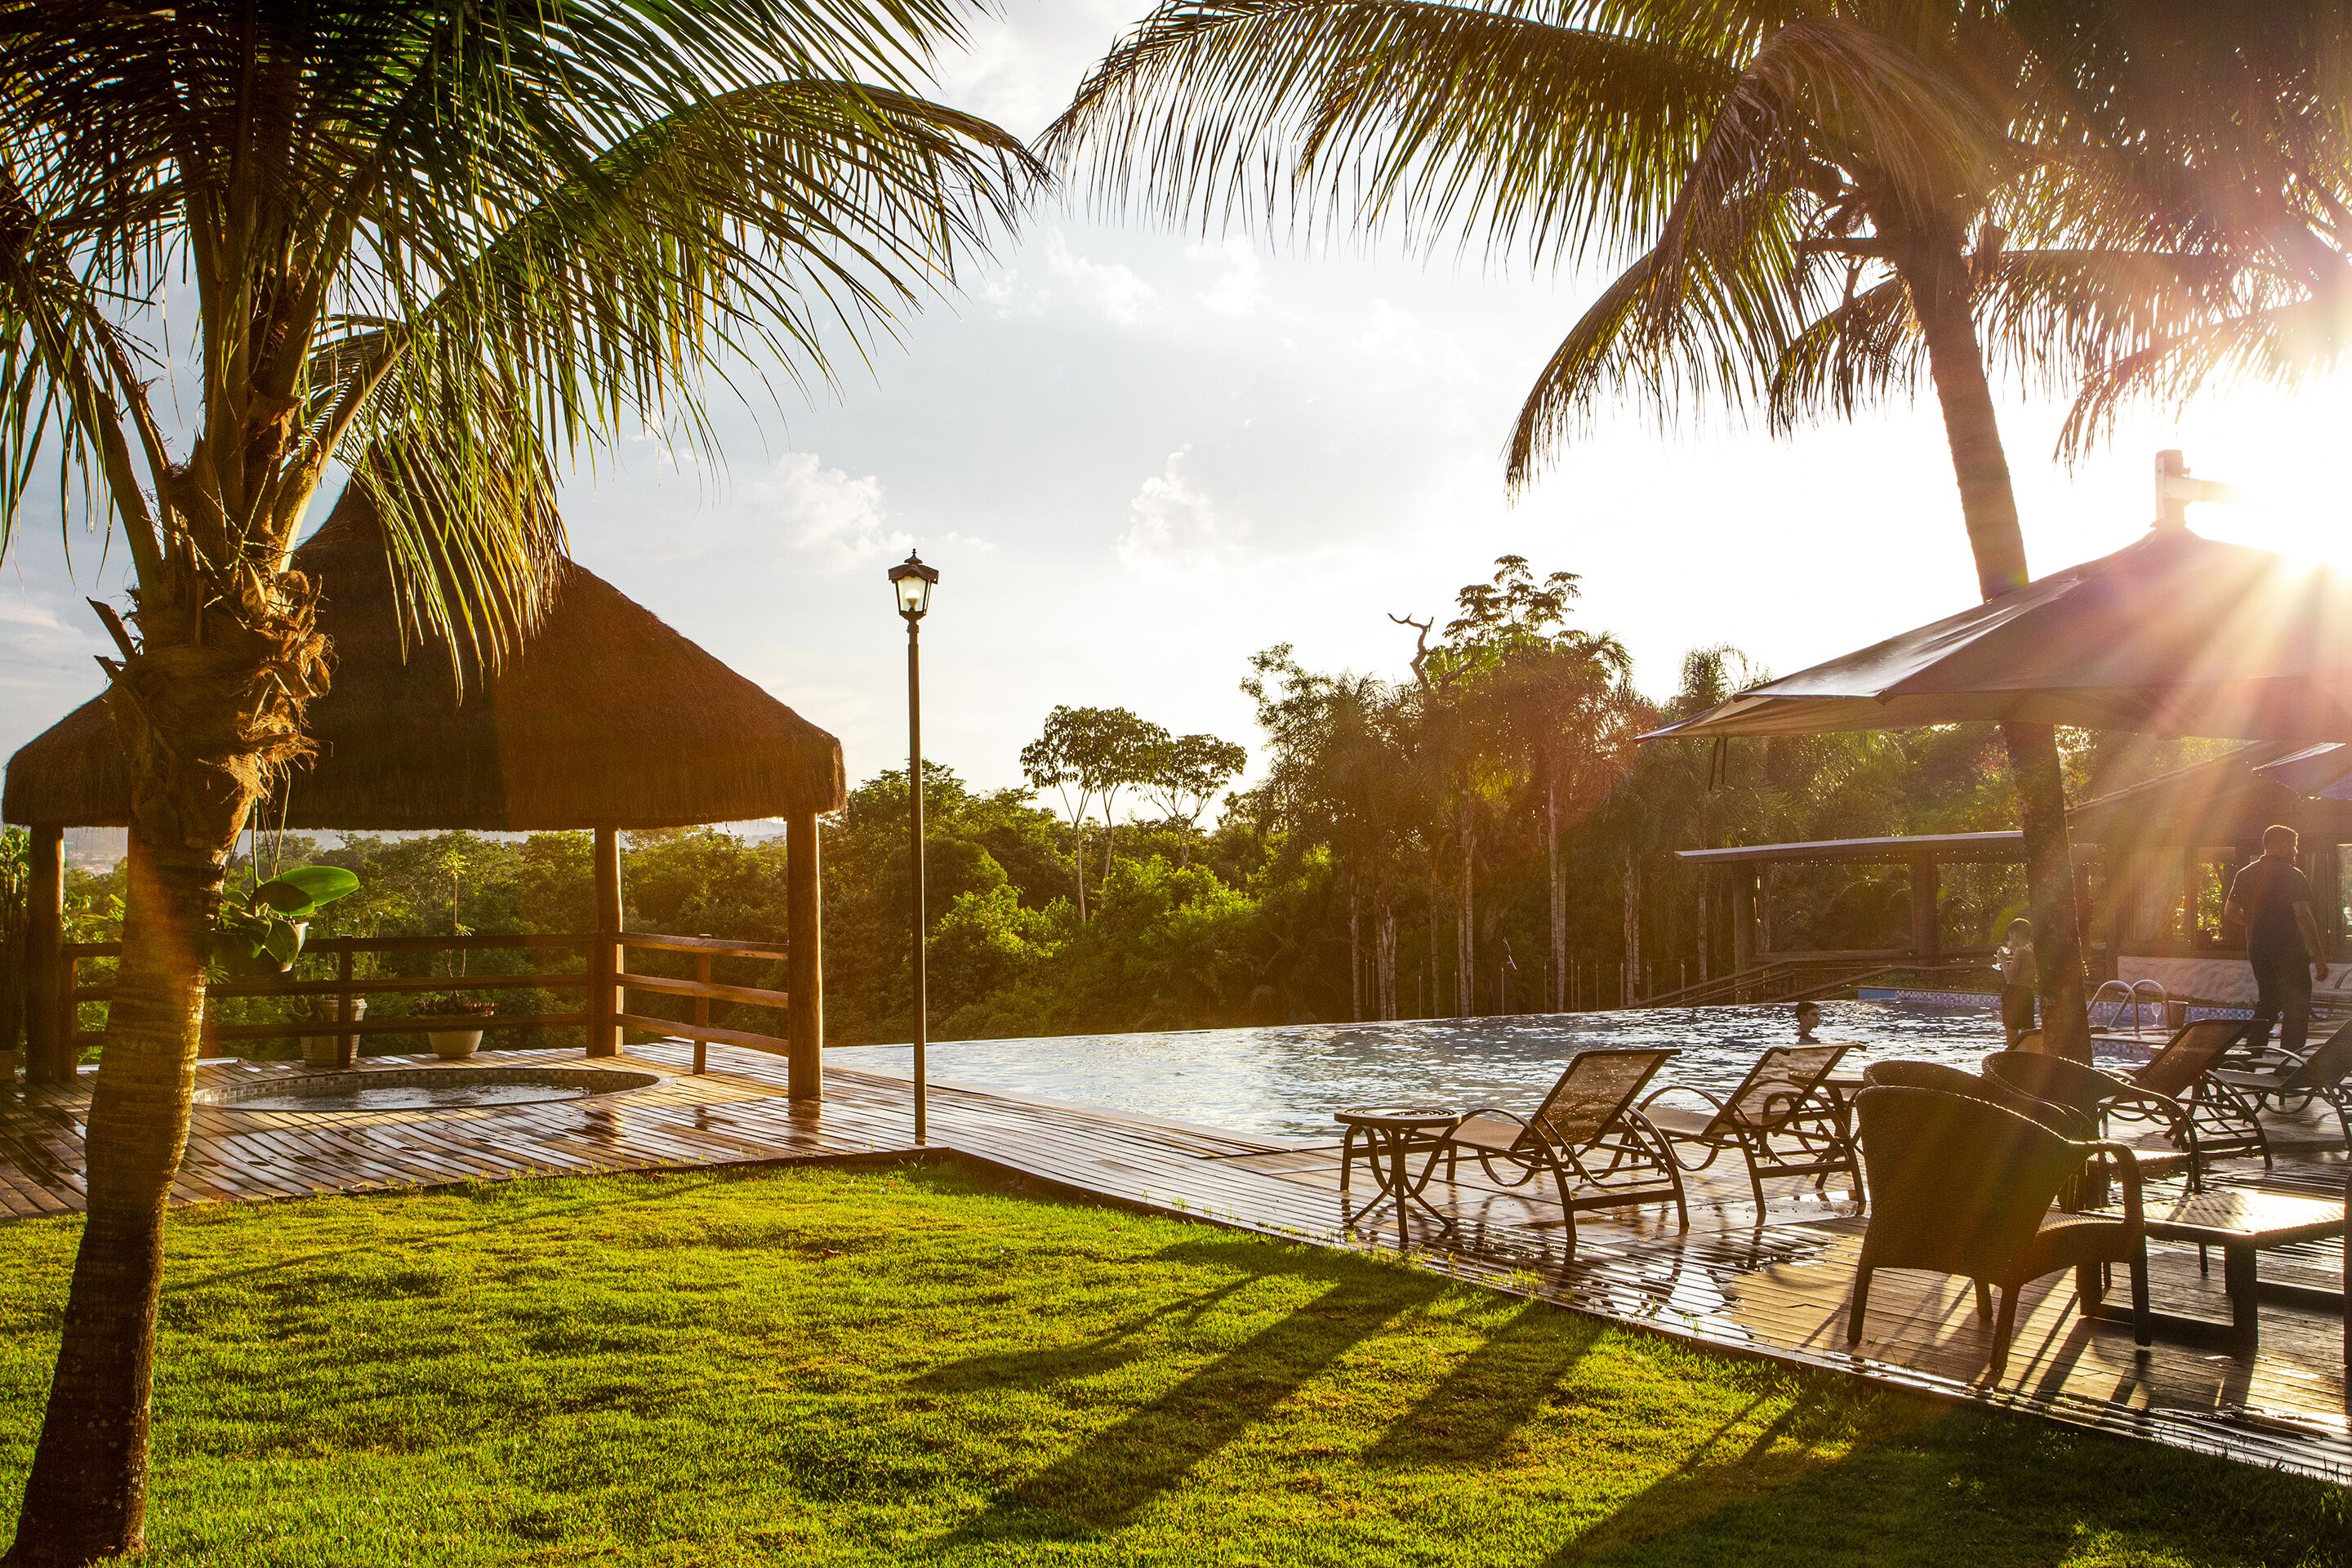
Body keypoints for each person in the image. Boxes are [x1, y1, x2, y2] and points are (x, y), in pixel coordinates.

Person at [2225, 824, 2332, 1059]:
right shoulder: (2292, 875)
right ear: (2282, 845)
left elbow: (2230, 911)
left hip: (2258, 950)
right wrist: (2319, 958)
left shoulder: (2245, 874)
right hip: (2288, 951)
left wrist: (2255, 924)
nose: (2295, 851)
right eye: (2293, 845)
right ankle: (2290, 1062)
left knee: (2268, 1002)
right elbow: (2303, 916)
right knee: (2297, 1006)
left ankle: (2250, 1057)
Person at [1995, 918, 2037, 1044]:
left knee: (2011, 1033)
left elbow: (2010, 977)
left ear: (2016, 935)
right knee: (2027, 1033)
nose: (2010, 939)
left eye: (2011, 936)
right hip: (2027, 993)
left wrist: (2002, 960)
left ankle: (2011, 1054)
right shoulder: (2031, 948)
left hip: (2014, 993)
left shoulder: (2020, 951)